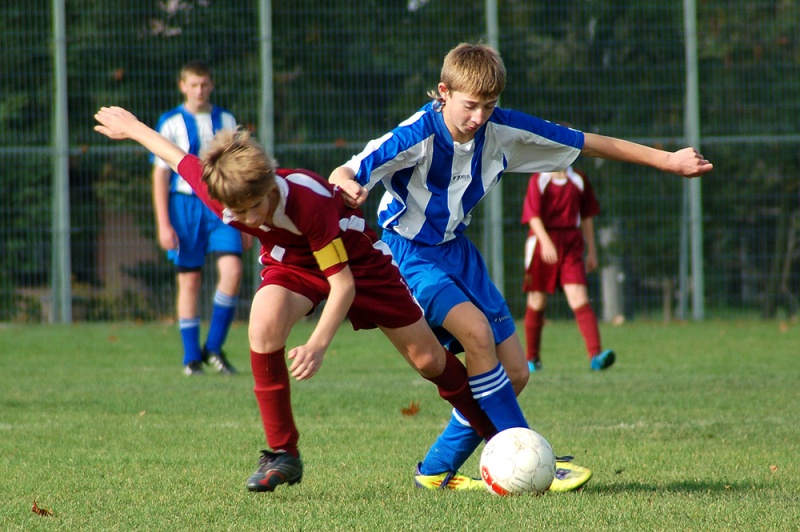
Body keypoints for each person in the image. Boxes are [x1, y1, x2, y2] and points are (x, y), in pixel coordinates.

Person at [329, 42, 713, 492]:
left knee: (515, 373)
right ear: (443, 93)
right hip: (409, 254)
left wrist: (667, 159)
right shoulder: (416, 135)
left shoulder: (501, 130)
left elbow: (587, 143)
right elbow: (345, 171)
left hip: (458, 253)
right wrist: (348, 187)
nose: (479, 117)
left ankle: (434, 470)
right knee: (476, 333)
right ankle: (530, 458)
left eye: (489, 106)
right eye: (470, 105)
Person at [94, 105, 501, 493]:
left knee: (428, 360)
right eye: (239, 212)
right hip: (292, 262)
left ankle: (498, 437)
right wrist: (132, 128)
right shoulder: (226, 191)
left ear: (270, 184)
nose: (249, 219)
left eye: (255, 207)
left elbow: (342, 285)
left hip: (358, 263)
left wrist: (317, 344)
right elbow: (178, 159)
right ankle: (282, 453)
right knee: (263, 325)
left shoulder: (307, 201)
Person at [151, 60, 249, 376]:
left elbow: (239, 172)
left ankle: (215, 348)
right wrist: (164, 223)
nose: (199, 90)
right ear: (183, 86)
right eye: (193, 84)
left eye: (204, 84)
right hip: (184, 206)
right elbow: (160, 175)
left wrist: (247, 220)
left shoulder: (226, 120)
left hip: (221, 205)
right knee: (189, 280)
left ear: (212, 85)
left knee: (233, 270)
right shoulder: (170, 122)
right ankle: (192, 357)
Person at [521, 164, 615, 373]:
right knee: (537, 300)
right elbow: (532, 216)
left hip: (571, 244)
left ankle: (596, 356)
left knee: (579, 296)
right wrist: (545, 241)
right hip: (542, 244)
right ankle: (532, 359)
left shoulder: (579, 179)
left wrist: (592, 251)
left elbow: (587, 217)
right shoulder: (539, 180)